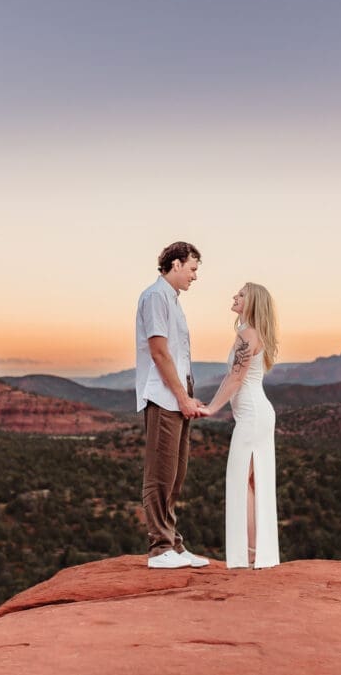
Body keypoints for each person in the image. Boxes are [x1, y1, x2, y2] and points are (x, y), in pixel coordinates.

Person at [135, 241, 211, 569]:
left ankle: (174, 545)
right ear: (176, 264)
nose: (195, 276)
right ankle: (159, 548)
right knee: (160, 474)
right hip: (163, 398)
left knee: (176, 474)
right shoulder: (155, 297)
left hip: (178, 397)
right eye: (193, 269)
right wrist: (182, 397)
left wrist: (188, 395)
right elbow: (159, 352)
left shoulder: (172, 300)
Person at [198, 283, 280, 569]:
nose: (235, 296)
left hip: (252, 416)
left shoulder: (247, 334)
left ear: (253, 302)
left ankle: (250, 553)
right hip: (256, 414)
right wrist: (210, 403)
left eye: (241, 294)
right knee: (254, 483)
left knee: (239, 480)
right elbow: (229, 379)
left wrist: (210, 409)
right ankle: (258, 553)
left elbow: (235, 379)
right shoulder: (251, 333)